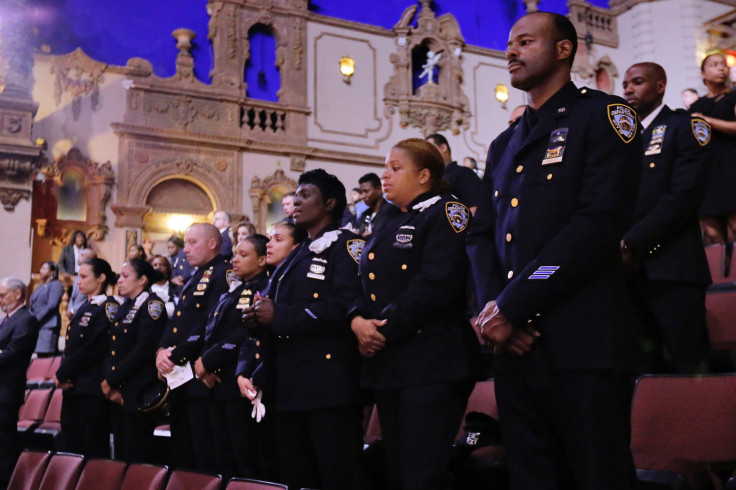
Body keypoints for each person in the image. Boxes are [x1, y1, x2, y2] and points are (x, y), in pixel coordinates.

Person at [467, 12, 641, 489]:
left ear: (563, 50)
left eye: (525, 41)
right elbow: (481, 235)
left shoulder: (604, 117)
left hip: (580, 339)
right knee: (530, 475)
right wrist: (493, 310)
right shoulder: (505, 143)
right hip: (514, 347)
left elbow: (596, 224)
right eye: (509, 44)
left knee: (596, 474)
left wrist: (514, 305)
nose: (510, 51)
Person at [349, 138, 483, 489]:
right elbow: (366, 282)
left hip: (432, 359)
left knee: (423, 472)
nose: (385, 176)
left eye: (396, 168)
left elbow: (435, 285)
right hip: (392, 361)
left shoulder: (447, 212)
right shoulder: (391, 219)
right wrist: (358, 321)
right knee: (396, 468)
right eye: (385, 168)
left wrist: (381, 331)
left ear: (424, 175)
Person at [244, 169, 366, 490]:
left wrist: (279, 316)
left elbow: (345, 307)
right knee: (297, 478)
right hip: (289, 384)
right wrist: (257, 320)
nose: (295, 201)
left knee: (336, 475)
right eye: (295, 195)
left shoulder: (347, 245)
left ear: (329, 203)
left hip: (328, 385)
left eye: (305, 195)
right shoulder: (297, 254)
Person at [622, 62, 712, 374]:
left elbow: (683, 197)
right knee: (644, 373)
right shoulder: (621, 141)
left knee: (691, 369)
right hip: (629, 273)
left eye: (637, 82)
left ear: (660, 86)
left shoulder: (684, 127)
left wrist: (633, 242)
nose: (628, 89)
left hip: (673, 268)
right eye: (625, 84)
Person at [195, 235, 271, 481]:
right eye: (235, 254)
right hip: (216, 382)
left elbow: (241, 334)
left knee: (244, 458)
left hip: (237, 380)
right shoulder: (237, 289)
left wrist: (208, 362)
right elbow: (211, 331)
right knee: (223, 458)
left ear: (261, 260)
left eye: (243, 255)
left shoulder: (262, 289)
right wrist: (204, 363)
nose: (234, 259)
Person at [155, 223, 231, 471]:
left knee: (202, 450)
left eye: (192, 243)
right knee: (181, 449)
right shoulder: (194, 276)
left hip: (200, 371)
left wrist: (174, 355)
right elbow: (177, 321)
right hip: (180, 374)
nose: (185, 249)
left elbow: (210, 322)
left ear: (212, 243)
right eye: (185, 243)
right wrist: (161, 352)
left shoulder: (222, 272)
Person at [103, 259, 167, 463]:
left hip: (138, 390)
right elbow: (112, 347)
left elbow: (144, 349)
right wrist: (112, 382)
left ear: (142, 280)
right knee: (120, 456)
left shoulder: (152, 305)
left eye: (125, 276)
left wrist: (112, 380)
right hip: (119, 390)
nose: (119, 280)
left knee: (136, 455)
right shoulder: (126, 306)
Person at [55, 258, 118, 458]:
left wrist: (64, 372)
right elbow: (71, 347)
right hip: (73, 385)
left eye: (83, 277)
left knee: (91, 446)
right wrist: (65, 375)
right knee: (70, 444)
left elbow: (92, 348)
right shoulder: (85, 306)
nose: (78, 282)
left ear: (101, 278)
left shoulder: (108, 307)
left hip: (91, 386)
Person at [690, 51, 736, 244]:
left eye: (723, 64)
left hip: (732, 165)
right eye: (714, 65)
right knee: (711, 230)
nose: (721, 68)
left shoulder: (733, 97)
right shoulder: (697, 105)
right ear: (703, 73)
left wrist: (706, 120)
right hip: (708, 170)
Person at [0, 278, 37, 488]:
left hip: (8, 390)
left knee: (5, 440)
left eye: (3, 295)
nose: (0, 299)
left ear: (17, 294)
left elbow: (13, 353)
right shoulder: (6, 320)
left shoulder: (26, 318)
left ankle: (7, 481)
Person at [425, 133, 483, 215]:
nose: (428, 155)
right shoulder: (429, 180)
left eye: (430, 150)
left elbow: (475, 208)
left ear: (443, 148)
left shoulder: (464, 174)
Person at [31, 261, 64, 356]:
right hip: (38, 325)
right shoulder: (41, 286)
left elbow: (52, 305)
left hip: (48, 325)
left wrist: (37, 319)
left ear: (53, 272)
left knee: (46, 356)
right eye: (41, 269)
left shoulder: (56, 285)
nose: (41, 271)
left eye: (44, 269)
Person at [355, 172, 394, 238]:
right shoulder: (364, 214)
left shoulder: (392, 211)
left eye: (366, 191)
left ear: (378, 189)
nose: (363, 196)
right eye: (361, 192)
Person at [66, 248, 98, 319]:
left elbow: (90, 298)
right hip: (73, 317)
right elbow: (73, 297)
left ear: (89, 259)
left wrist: (73, 310)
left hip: (85, 314)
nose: (79, 256)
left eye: (82, 255)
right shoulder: (78, 276)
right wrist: (70, 309)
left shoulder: (92, 276)